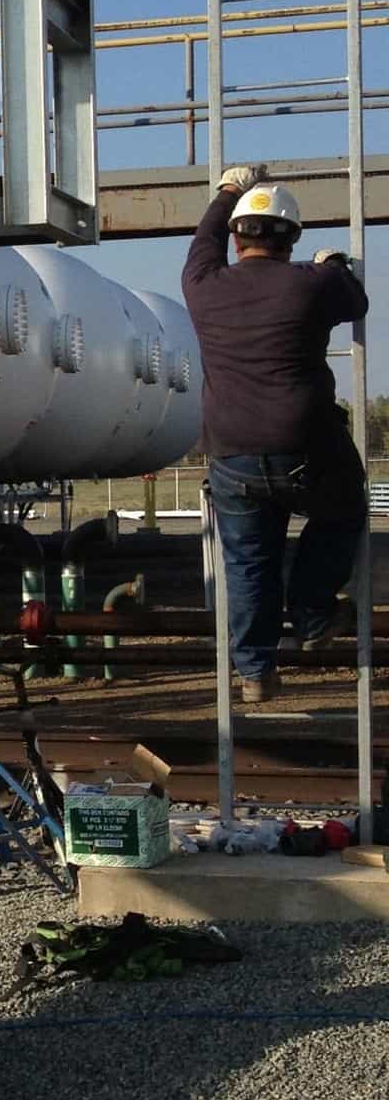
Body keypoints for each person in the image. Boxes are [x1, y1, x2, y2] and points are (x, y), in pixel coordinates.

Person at [182, 163, 369, 703]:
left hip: (231, 452)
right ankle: (312, 615)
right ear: (291, 239)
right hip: (305, 446)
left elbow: (203, 240)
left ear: (237, 238)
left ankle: (254, 671)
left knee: (247, 561)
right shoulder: (311, 284)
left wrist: (228, 191)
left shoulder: (202, 286)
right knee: (342, 511)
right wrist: (334, 265)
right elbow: (354, 301)